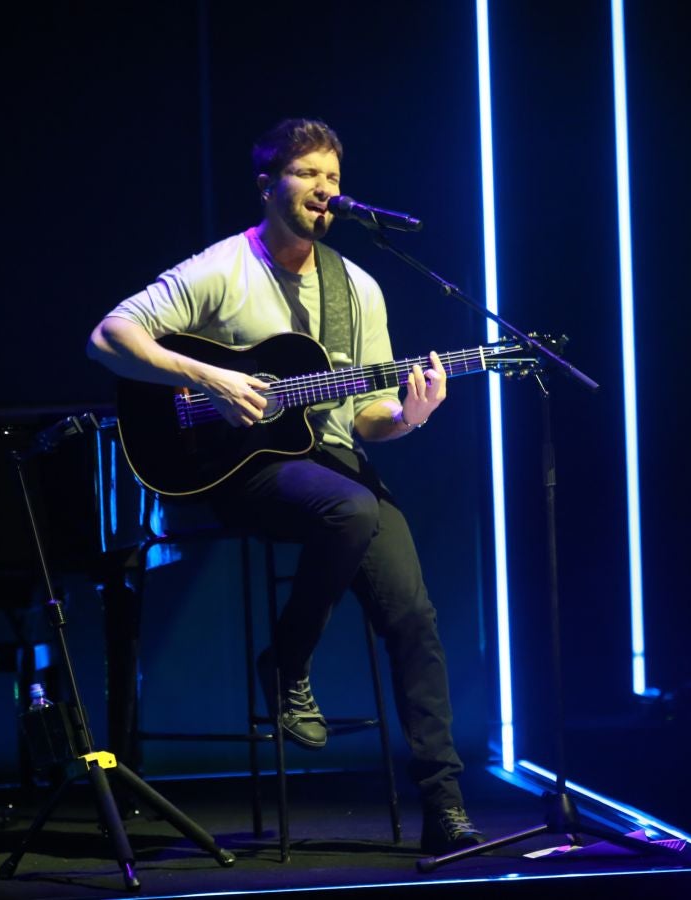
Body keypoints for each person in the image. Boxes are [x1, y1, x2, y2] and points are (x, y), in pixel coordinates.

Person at [86, 118, 484, 854]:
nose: (323, 191)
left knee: (414, 618)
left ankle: (444, 805)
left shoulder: (356, 286)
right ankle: (290, 663)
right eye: (306, 174)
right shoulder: (221, 269)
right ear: (267, 183)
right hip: (236, 467)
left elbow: (367, 417)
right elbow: (110, 336)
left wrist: (411, 414)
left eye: (332, 178)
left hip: (332, 467)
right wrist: (208, 374)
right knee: (350, 506)